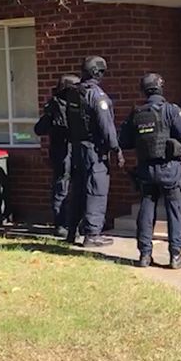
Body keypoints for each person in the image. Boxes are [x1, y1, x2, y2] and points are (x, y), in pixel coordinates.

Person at [119, 73, 181, 269]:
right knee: (174, 210)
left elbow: (124, 141)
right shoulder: (171, 110)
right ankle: (175, 256)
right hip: (170, 168)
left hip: (146, 169)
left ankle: (145, 255)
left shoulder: (136, 113)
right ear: (161, 88)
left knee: (146, 209)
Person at [66, 56, 125, 247]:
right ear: (97, 72)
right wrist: (116, 148)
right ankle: (92, 234)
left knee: (79, 190)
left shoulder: (74, 93)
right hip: (94, 149)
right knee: (96, 189)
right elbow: (106, 126)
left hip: (77, 147)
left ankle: (71, 230)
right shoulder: (97, 96)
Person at [34, 74, 80, 238]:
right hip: (63, 151)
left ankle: (69, 224)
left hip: (68, 151)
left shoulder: (65, 104)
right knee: (63, 187)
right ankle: (62, 224)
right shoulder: (56, 106)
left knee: (68, 187)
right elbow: (39, 129)